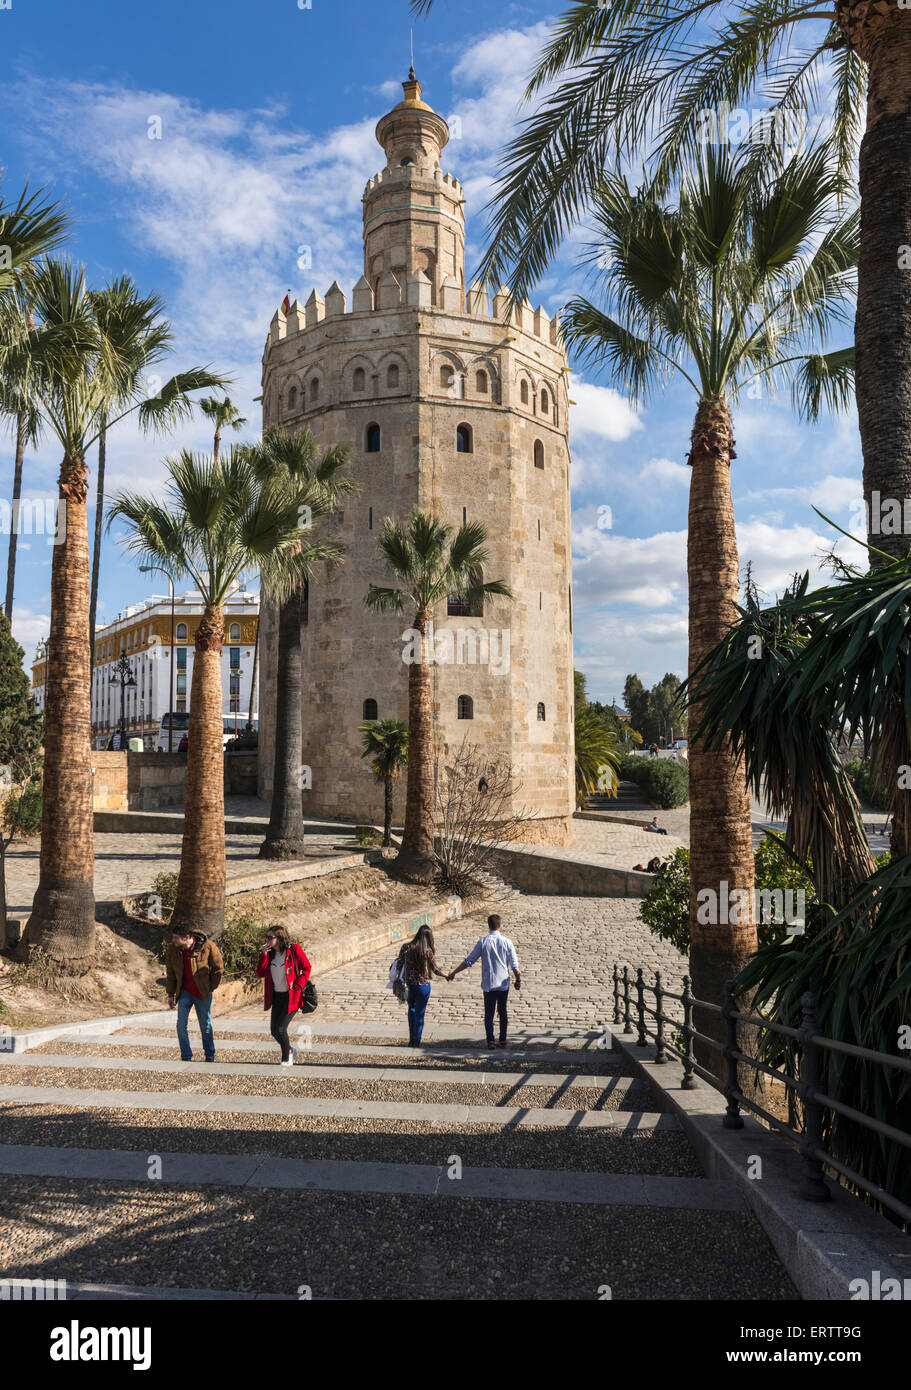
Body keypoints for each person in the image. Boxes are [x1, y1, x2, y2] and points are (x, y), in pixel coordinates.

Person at [448, 914, 521, 1048]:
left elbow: (469, 961)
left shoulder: (483, 942)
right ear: (500, 926)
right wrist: (518, 980)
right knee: (503, 1011)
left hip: (489, 985)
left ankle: (491, 1040)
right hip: (503, 984)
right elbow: (515, 966)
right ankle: (503, 1039)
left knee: (489, 1013)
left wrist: (454, 972)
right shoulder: (507, 942)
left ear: (488, 926)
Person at [165, 924, 224, 1062]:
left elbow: (218, 968)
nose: (173, 940)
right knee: (180, 1025)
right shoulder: (173, 950)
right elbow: (171, 973)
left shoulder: (207, 946)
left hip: (202, 993)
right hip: (184, 993)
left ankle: (209, 1055)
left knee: (205, 1026)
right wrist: (170, 994)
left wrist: (211, 987)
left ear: (187, 938)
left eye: (176, 938)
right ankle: (186, 1056)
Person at [256, 925, 312, 1066]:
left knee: (281, 1028)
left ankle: (286, 1058)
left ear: (279, 938)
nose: (267, 940)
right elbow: (260, 973)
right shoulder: (269, 953)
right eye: (266, 937)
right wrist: (263, 955)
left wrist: (298, 984)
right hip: (276, 996)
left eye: (270, 938)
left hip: (292, 996)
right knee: (274, 1031)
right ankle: (290, 1050)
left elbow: (307, 967)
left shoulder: (294, 950)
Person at [395, 924, 449, 1047]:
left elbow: (399, 965)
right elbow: (435, 970)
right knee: (420, 1013)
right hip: (423, 986)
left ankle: (411, 1038)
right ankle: (417, 1041)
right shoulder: (427, 951)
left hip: (409, 986)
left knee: (411, 1010)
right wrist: (446, 975)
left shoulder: (406, 947)